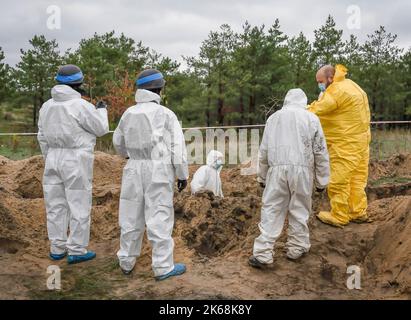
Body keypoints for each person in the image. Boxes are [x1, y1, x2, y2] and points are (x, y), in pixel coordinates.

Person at [113, 69, 189, 281]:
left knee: (130, 215)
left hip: (133, 168)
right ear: (159, 88)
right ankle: (163, 267)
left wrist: (130, 156)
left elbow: (118, 142)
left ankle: (126, 261)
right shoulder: (166, 114)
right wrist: (182, 175)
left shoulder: (128, 113)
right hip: (158, 169)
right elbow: (177, 148)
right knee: (159, 215)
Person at [249, 88, 329, 268]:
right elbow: (320, 151)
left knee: (272, 209)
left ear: (286, 100)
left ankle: (263, 254)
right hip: (302, 170)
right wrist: (322, 180)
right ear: (304, 101)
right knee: (300, 209)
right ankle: (297, 248)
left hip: (277, 169)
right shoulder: (311, 118)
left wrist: (261, 177)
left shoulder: (273, 118)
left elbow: (264, 151)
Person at [37, 64, 109, 264]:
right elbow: (101, 128)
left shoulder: (46, 106)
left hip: (52, 157)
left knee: (55, 205)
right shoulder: (81, 106)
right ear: (78, 83)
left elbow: (42, 136)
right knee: (78, 204)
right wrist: (102, 110)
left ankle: (57, 248)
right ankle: (76, 249)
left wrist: (49, 158)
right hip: (76, 159)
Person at [308, 64, 371, 227]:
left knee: (338, 180)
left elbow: (316, 109)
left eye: (320, 81)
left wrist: (296, 110)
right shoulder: (351, 85)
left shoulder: (335, 91)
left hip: (345, 143)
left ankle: (339, 215)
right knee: (357, 179)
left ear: (330, 78)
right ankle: (357, 212)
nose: (319, 85)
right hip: (361, 141)